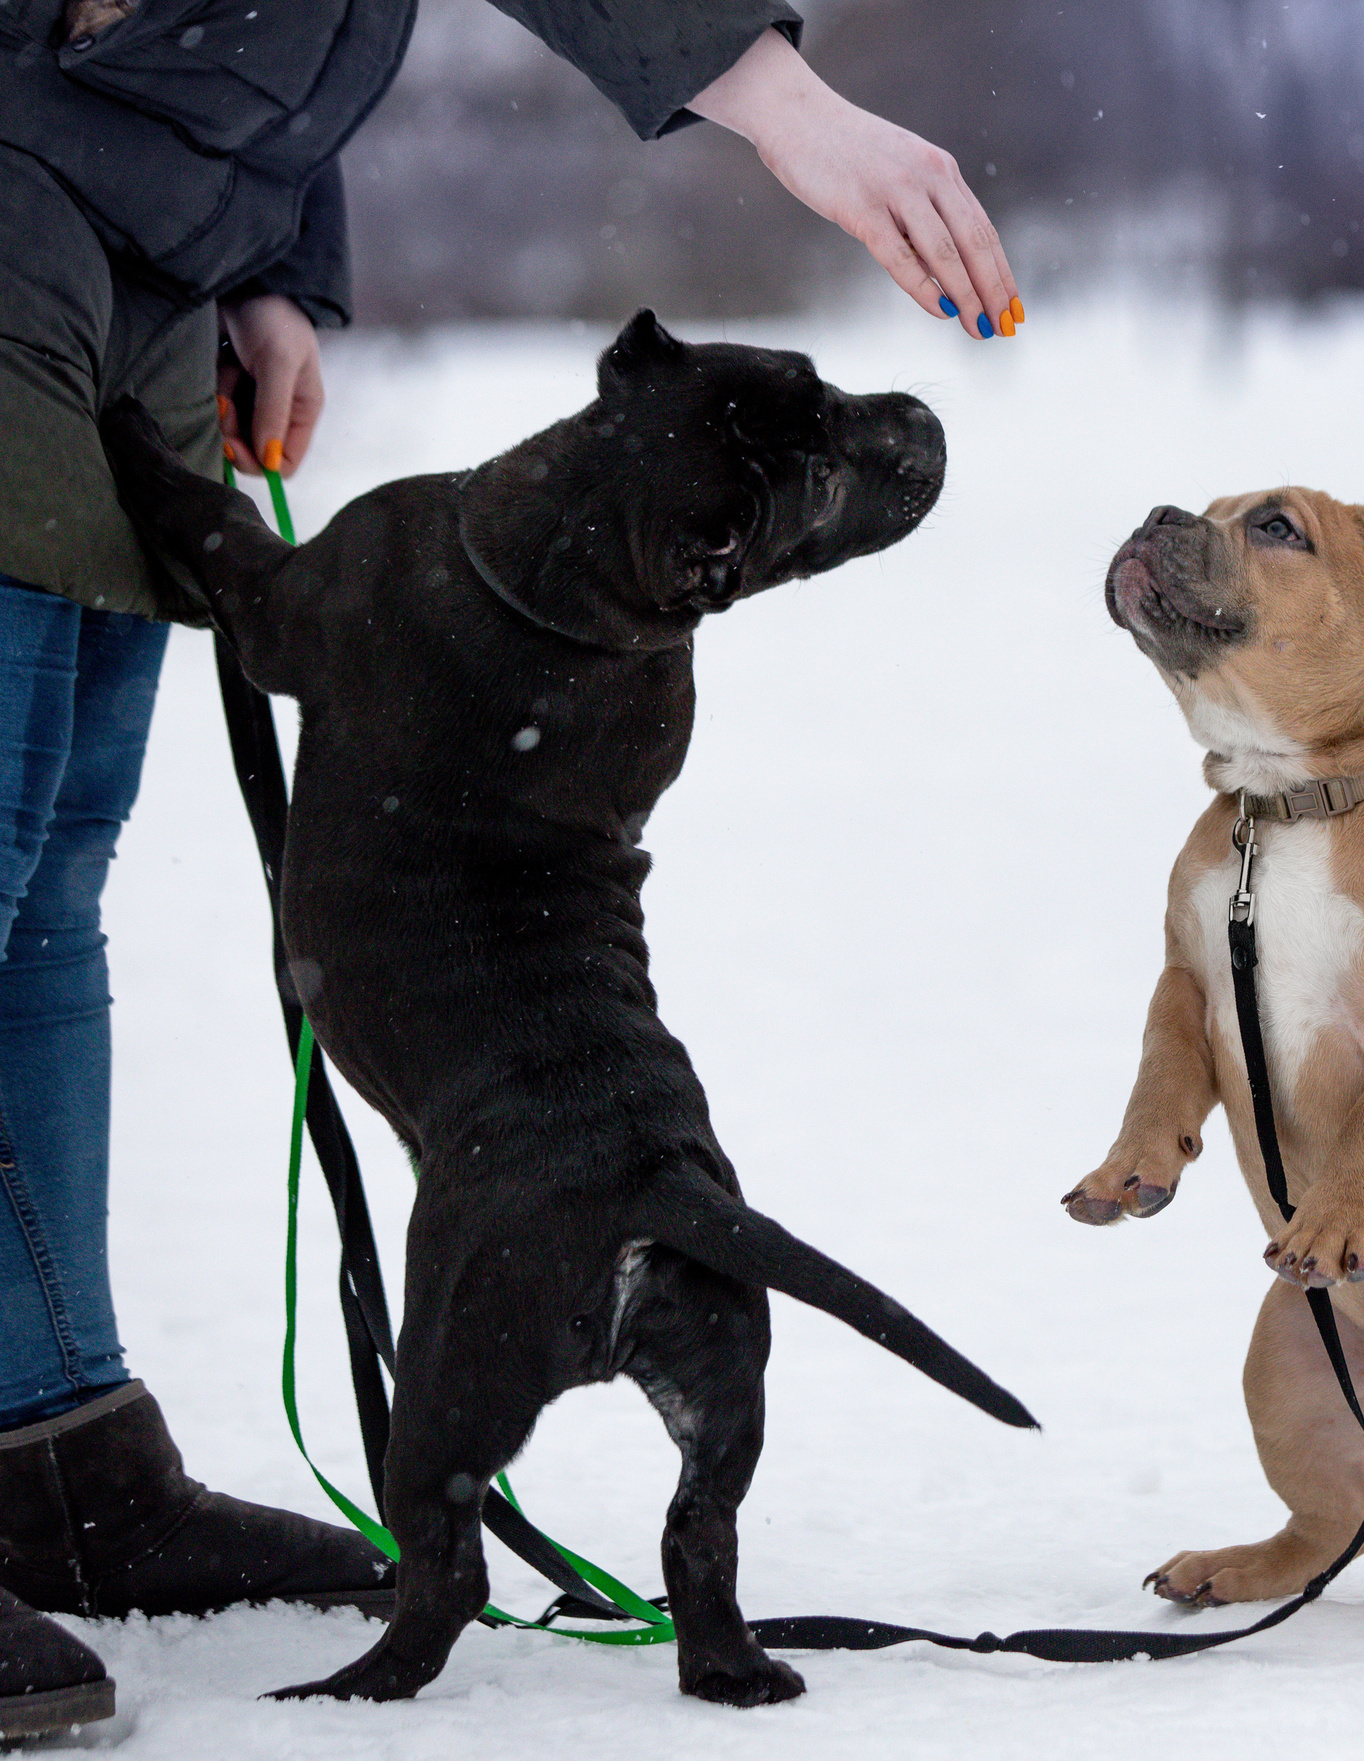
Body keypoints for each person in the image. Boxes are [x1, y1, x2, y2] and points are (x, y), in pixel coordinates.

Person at [0, 1, 1020, 1737]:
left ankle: (50, 1450)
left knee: (44, 898)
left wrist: (268, 258)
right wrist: (782, 101)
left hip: (146, 244)